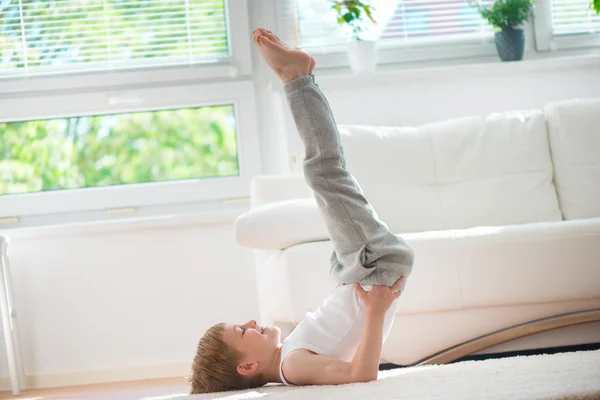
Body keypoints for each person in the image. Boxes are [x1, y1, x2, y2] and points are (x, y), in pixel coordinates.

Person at [189, 29, 414, 394]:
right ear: (247, 365)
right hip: (374, 271)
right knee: (323, 171)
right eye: (242, 331)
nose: (250, 321)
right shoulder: (293, 366)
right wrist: (375, 310)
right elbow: (360, 374)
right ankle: (298, 78)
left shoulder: (290, 354)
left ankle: (300, 77)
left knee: (324, 171)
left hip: (361, 270)